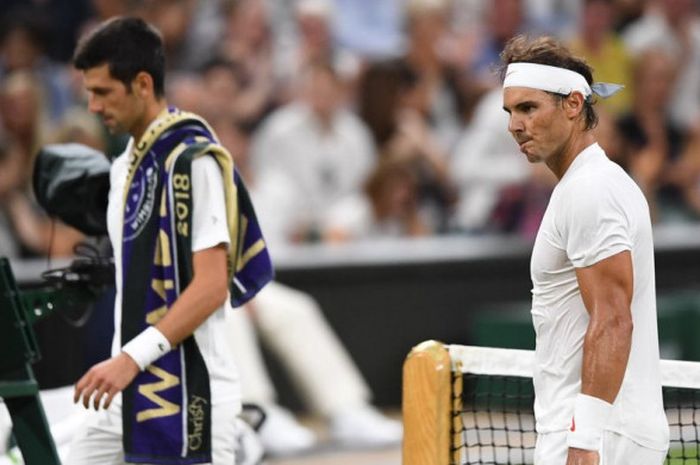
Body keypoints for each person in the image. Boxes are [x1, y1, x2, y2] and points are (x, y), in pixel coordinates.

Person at [67, 16, 272, 465]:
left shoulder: (192, 160)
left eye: (102, 92)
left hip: (191, 397)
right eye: (89, 93)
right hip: (125, 392)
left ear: (142, 83)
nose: (93, 106)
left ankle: (241, 440)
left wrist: (130, 359)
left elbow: (210, 286)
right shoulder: (124, 165)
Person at [499, 35, 669, 464]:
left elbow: (613, 319)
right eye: (510, 111)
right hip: (607, 430)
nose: (514, 126)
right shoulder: (593, 184)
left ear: (573, 105)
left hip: (597, 436)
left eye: (528, 108)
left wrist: (585, 437)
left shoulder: (590, 190)